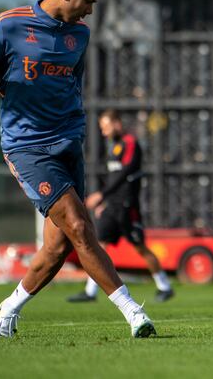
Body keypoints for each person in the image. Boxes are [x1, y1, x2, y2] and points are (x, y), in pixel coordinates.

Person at [0, 0, 156, 338]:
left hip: (69, 142)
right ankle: (134, 313)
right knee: (82, 227)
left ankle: (8, 309)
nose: (90, 8)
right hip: (27, 148)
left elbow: (73, 84)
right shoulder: (9, 25)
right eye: (88, 0)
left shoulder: (79, 36)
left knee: (59, 247)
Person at [67, 110, 174, 303]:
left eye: (106, 127)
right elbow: (114, 176)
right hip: (112, 206)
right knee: (99, 245)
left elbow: (125, 172)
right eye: (102, 128)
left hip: (127, 205)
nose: (103, 131)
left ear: (117, 123)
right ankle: (91, 291)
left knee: (140, 247)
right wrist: (106, 202)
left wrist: (102, 195)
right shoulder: (114, 146)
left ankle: (164, 286)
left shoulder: (130, 143)